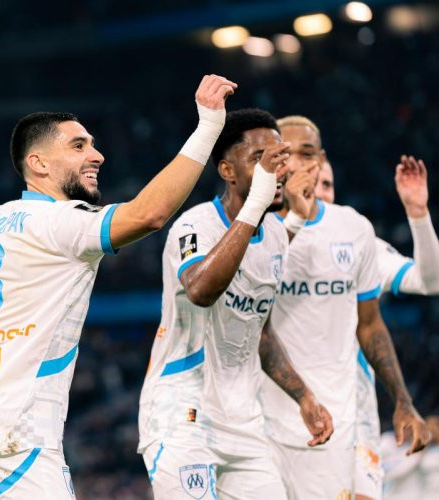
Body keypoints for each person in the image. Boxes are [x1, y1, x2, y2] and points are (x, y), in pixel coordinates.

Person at [0, 74, 237, 498]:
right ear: (38, 163)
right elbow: (148, 214)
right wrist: (209, 128)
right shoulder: (60, 222)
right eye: (79, 146)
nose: (97, 155)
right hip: (15, 436)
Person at [138, 108, 333, 499]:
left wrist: (304, 396)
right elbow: (200, 291)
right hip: (183, 413)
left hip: (244, 423)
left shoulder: (275, 236)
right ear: (227, 170)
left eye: (278, 158)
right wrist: (255, 206)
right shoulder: (195, 225)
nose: (275, 170)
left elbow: (260, 330)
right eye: (260, 160)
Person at [259, 116, 431, 499]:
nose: (301, 165)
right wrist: (296, 217)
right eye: (288, 154)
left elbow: (378, 320)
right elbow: (250, 322)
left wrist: (403, 401)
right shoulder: (252, 233)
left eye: (308, 154)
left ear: (321, 160)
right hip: (270, 421)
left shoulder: (354, 232)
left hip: (346, 417)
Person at [317, 155, 439, 500]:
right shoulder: (267, 244)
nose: (321, 193)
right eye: (312, 184)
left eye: (327, 185)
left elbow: (430, 280)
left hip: (354, 418)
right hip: (281, 417)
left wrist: (418, 215)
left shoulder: (358, 245)